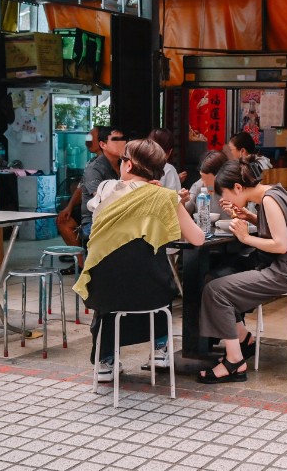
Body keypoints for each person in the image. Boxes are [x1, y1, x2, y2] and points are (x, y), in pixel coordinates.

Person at [74, 139, 204, 381]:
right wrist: (167, 198)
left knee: (113, 281)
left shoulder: (105, 188)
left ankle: (106, 361)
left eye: (123, 160)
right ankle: (160, 349)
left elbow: (94, 205)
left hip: (104, 292)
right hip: (151, 294)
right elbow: (197, 239)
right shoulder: (165, 197)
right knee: (157, 273)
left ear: (129, 166)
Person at [197, 158, 287, 384]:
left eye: (224, 193)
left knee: (216, 289)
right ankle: (243, 340)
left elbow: (280, 245)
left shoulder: (270, 201)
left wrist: (245, 237)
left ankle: (234, 361)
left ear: (237, 187)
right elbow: (280, 228)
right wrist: (249, 216)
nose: (223, 200)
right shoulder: (273, 193)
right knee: (217, 278)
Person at [56, 126, 100, 269]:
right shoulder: (91, 163)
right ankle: (80, 263)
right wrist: (69, 207)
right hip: (89, 211)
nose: (88, 141)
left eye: (91, 138)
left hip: (104, 212)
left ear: (103, 142)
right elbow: (81, 188)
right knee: (64, 220)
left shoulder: (116, 164)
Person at [78, 126, 126, 246]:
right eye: (115, 140)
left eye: (123, 139)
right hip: (94, 222)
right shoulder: (94, 168)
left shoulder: (125, 164)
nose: (122, 143)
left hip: (118, 219)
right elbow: (102, 198)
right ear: (103, 145)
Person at [182, 150, 227, 215]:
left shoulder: (233, 188)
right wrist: (183, 201)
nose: (204, 184)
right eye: (202, 177)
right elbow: (186, 212)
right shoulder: (199, 186)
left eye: (209, 179)